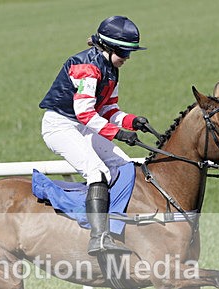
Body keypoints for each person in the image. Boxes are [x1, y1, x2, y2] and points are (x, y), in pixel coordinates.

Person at [39, 15, 150, 256]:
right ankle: (98, 237)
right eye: (123, 52)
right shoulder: (86, 67)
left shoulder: (111, 68)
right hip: (60, 125)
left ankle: (118, 224)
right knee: (97, 172)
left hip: (82, 124)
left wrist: (132, 121)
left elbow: (108, 109)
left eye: (130, 53)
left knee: (124, 165)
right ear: (107, 47)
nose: (127, 59)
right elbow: (85, 113)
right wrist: (117, 133)